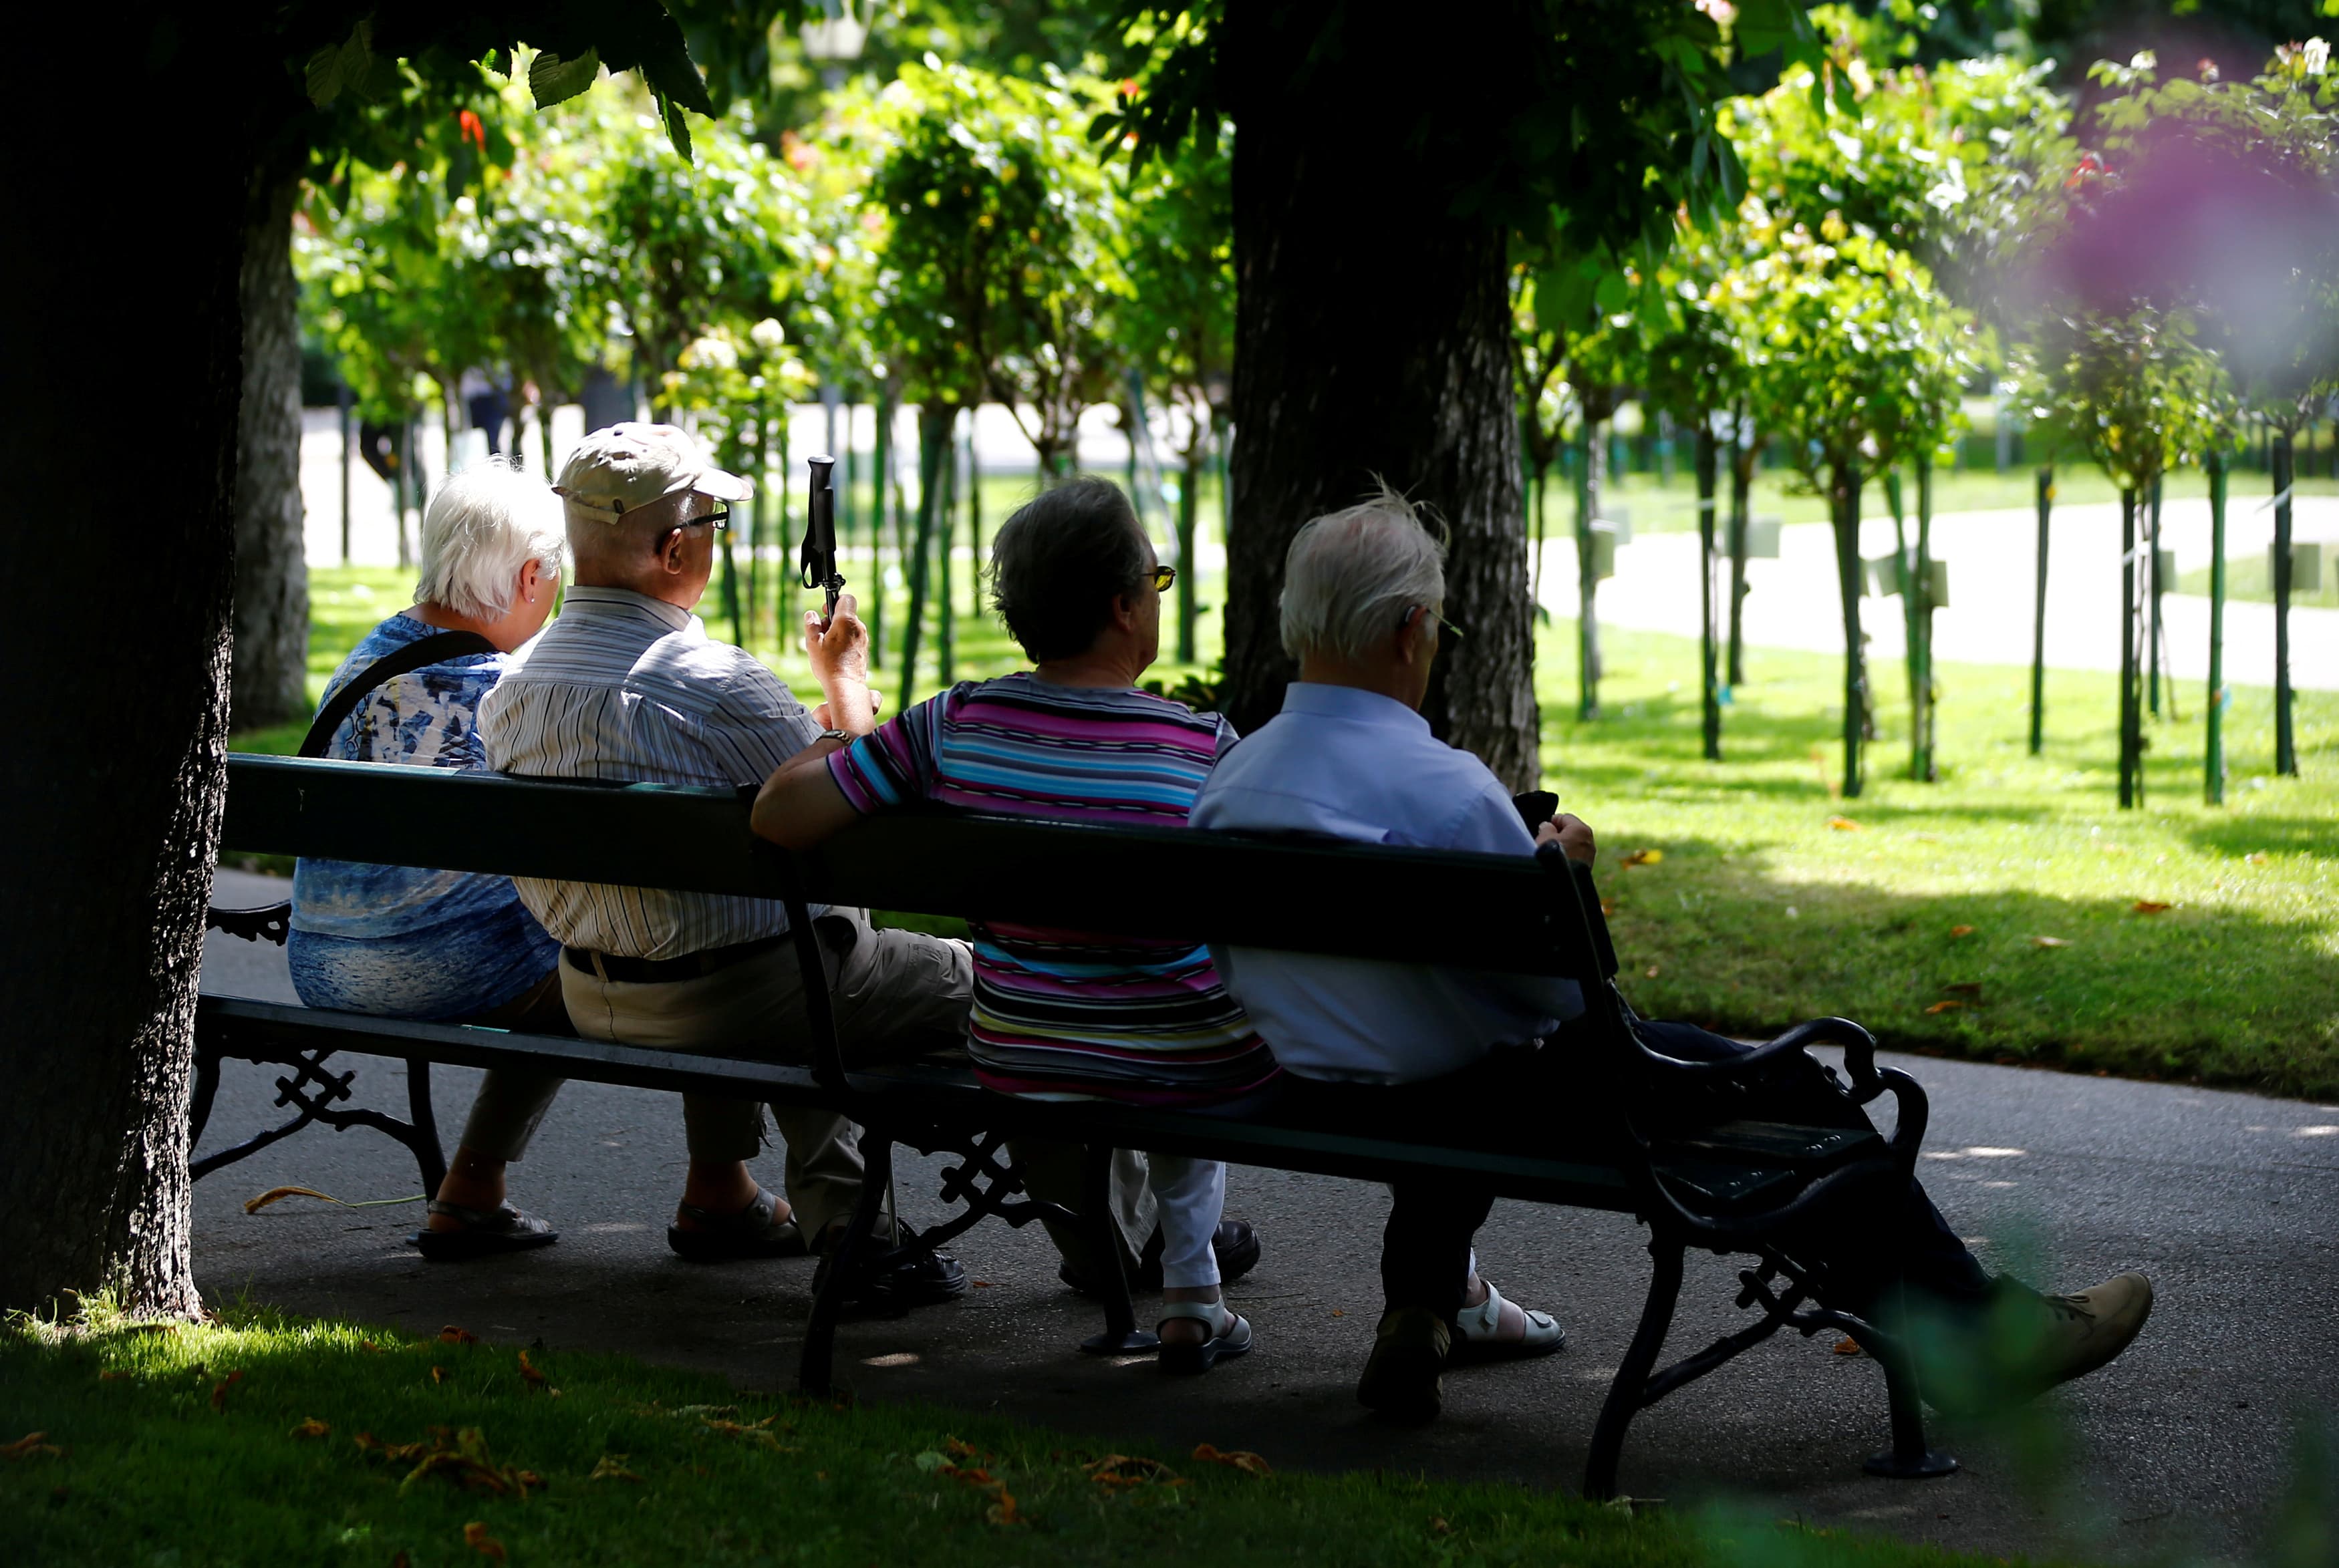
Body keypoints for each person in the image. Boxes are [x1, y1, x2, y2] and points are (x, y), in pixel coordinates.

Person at [1190, 486, 2155, 1420]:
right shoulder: (1446, 791)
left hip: (1315, 1088)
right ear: (1411, 627)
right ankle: (1980, 1339)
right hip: (1489, 1096)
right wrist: (1556, 881)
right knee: (1791, 1091)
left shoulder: (1231, 783)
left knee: (1458, 1048)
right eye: (1439, 625)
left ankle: (1424, 1302)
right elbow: (1560, 1007)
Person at [751, 477, 1272, 1373]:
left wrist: (844, 713)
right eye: (1158, 579)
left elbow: (777, 815)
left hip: (1018, 1047)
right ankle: (1193, 1289)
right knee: (1202, 1011)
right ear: (1122, 607)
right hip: (1186, 1055)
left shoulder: (954, 725)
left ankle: (1182, 1281)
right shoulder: (1201, 747)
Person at [472, 422, 968, 1305]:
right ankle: (1126, 1237)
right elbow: (868, 831)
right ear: (674, 547)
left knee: (763, 941)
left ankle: (727, 1197)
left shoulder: (511, 689)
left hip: (594, 991)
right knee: (974, 982)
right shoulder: (721, 686)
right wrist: (849, 699)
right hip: (747, 996)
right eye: (714, 523)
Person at [287, 457, 580, 1261]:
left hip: (320, 964)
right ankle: (716, 1187)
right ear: (529, 577)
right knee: (626, 954)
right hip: (443, 966)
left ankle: (472, 1193)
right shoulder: (509, 691)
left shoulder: (364, 658)